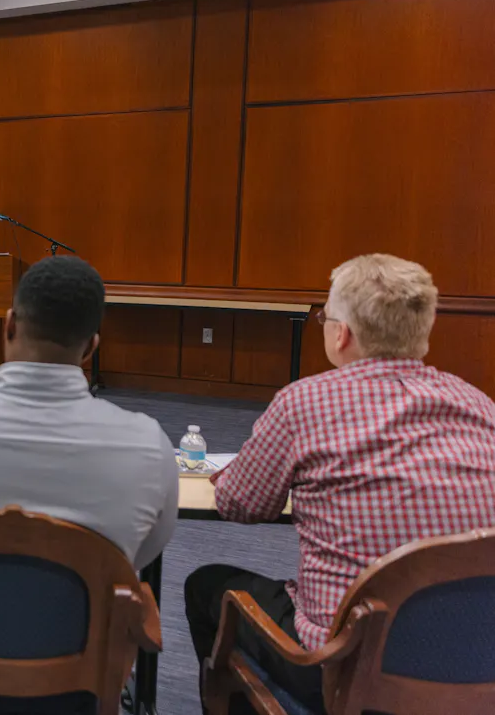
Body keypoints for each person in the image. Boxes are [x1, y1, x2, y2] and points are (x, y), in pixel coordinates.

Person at [185, 254, 495, 714]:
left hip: (341, 665)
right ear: (423, 333)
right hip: (469, 657)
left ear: (341, 333)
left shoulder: (303, 404)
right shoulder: (480, 407)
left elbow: (239, 503)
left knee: (207, 586)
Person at [0, 255, 178, 571]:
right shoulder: (150, 446)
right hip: (89, 620)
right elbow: (138, 557)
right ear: (90, 349)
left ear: (10, 325)